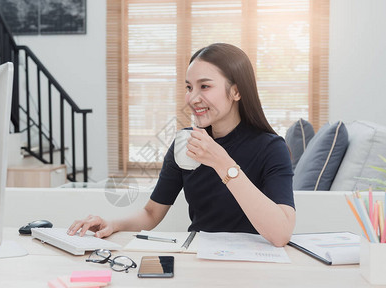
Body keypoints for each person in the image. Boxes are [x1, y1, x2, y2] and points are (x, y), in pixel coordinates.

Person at [69, 43, 295, 247]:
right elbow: (152, 213)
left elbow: (281, 235)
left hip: (255, 265)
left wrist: (223, 164)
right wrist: (112, 223)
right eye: (189, 87)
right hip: (199, 258)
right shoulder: (185, 143)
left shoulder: (271, 148)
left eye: (204, 86)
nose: (192, 98)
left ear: (236, 91)